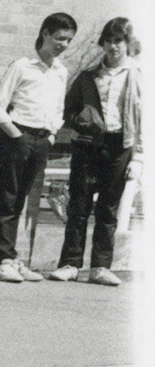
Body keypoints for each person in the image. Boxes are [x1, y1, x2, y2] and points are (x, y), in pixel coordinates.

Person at [0, 11, 76, 282]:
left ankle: (11, 257)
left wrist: (51, 136)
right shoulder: (22, 66)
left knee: (20, 200)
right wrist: (15, 134)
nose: (64, 45)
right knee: (7, 198)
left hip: (42, 140)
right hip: (17, 137)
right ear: (45, 33)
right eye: (60, 38)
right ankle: (0, 262)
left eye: (69, 40)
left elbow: (58, 109)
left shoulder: (61, 72)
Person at [50, 16, 142, 285]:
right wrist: (81, 120)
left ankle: (100, 267)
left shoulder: (137, 76)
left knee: (108, 209)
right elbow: (68, 109)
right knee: (78, 205)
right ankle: (70, 263)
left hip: (119, 146)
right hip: (88, 146)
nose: (113, 46)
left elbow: (144, 118)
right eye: (108, 41)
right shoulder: (89, 76)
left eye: (118, 41)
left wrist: (139, 156)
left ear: (127, 43)